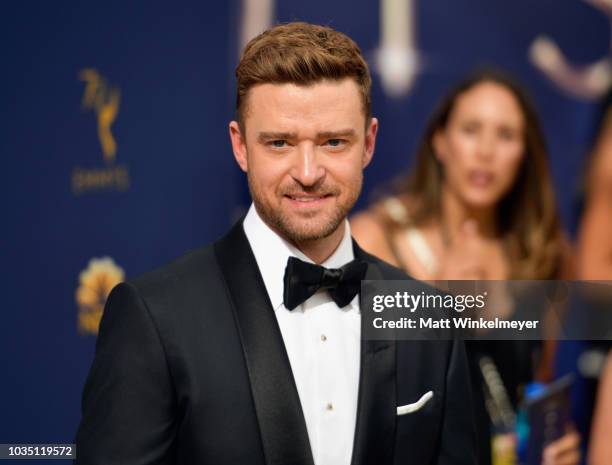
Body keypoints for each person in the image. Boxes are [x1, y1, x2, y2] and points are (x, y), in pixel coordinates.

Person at [75, 22, 476, 465]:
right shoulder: (155, 317)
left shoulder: (429, 318)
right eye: (280, 143)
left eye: (334, 142)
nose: (307, 171)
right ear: (241, 146)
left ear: (368, 143)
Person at [351, 69, 580, 465]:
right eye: (471, 129)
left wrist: (555, 441)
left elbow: (531, 391)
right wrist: (437, 301)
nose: (486, 151)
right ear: (440, 141)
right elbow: (358, 397)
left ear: (525, 152)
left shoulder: (545, 253)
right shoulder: (375, 238)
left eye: (506, 135)